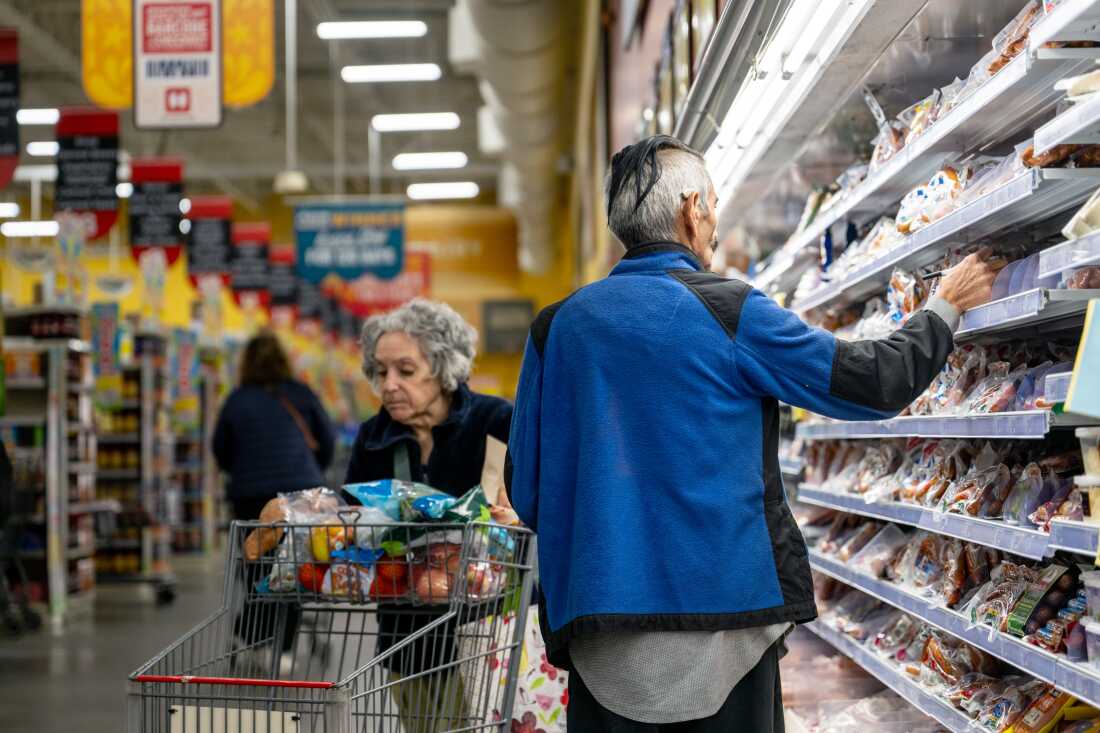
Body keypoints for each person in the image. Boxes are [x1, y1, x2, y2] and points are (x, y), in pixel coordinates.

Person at [505, 134, 1004, 732]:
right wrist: (943, 308)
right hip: (727, 620)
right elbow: (871, 382)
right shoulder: (726, 310)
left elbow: (527, 490)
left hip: (599, 627)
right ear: (694, 209)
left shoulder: (554, 328)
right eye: (712, 203)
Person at [344, 298, 512, 732]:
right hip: (403, 628)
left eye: (406, 370)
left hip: (481, 627)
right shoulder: (373, 436)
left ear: (442, 368)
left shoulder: (495, 421)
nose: (389, 385)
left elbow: (521, 508)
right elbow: (354, 516)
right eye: (380, 372)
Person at [213, 330, 335, 520]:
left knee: (255, 546)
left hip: (251, 496)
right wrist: (311, 468)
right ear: (283, 360)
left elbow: (220, 448)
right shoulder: (302, 393)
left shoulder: (236, 400)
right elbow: (327, 439)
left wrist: (241, 470)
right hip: (302, 490)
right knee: (303, 547)